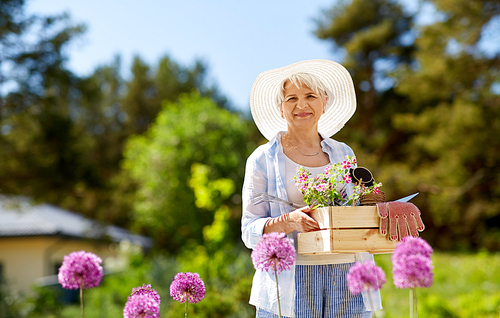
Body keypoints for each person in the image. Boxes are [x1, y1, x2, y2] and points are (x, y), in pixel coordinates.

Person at [241, 60, 381, 318]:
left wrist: (381, 206)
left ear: (324, 103)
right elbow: (249, 231)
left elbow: (356, 209)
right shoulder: (263, 159)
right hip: (290, 279)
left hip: (347, 274)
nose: (301, 105)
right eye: (291, 98)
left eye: (310, 96)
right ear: (281, 108)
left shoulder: (343, 152)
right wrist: (287, 221)